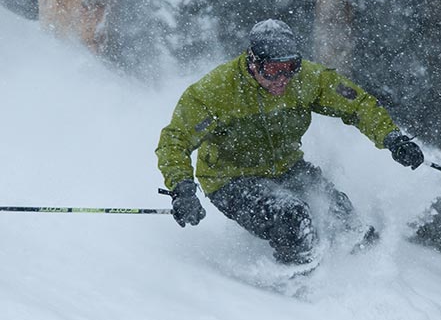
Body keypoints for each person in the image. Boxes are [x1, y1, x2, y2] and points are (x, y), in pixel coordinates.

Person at [156, 19, 424, 265]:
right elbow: (175, 140)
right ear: (253, 61)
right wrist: (182, 189)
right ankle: (297, 292)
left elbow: (358, 105)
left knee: (345, 220)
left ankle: (369, 281)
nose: (282, 79)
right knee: (292, 217)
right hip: (231, 179)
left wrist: (392, 138)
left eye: (290, 68)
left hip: (286, 167)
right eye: (272, 70)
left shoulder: (307, 80)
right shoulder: (216, 91)